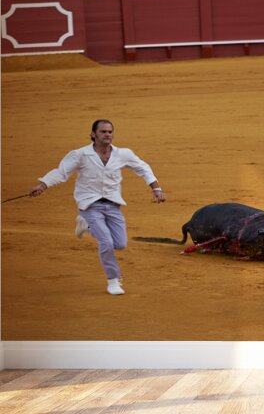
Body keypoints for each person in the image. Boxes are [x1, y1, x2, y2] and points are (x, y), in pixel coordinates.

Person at [28, 119, 167, 295]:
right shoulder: (80, 155)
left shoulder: (123, 154)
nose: (107, 134)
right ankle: (113, 280)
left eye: (110, 131)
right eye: (103, 131)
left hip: (113, 204)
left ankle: (85, 225)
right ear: (93, 134)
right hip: (90, 205)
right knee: (106, 242)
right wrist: (42, 185)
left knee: (120, 243)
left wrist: (156, 188)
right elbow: (62, 172)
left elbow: (143, 168)